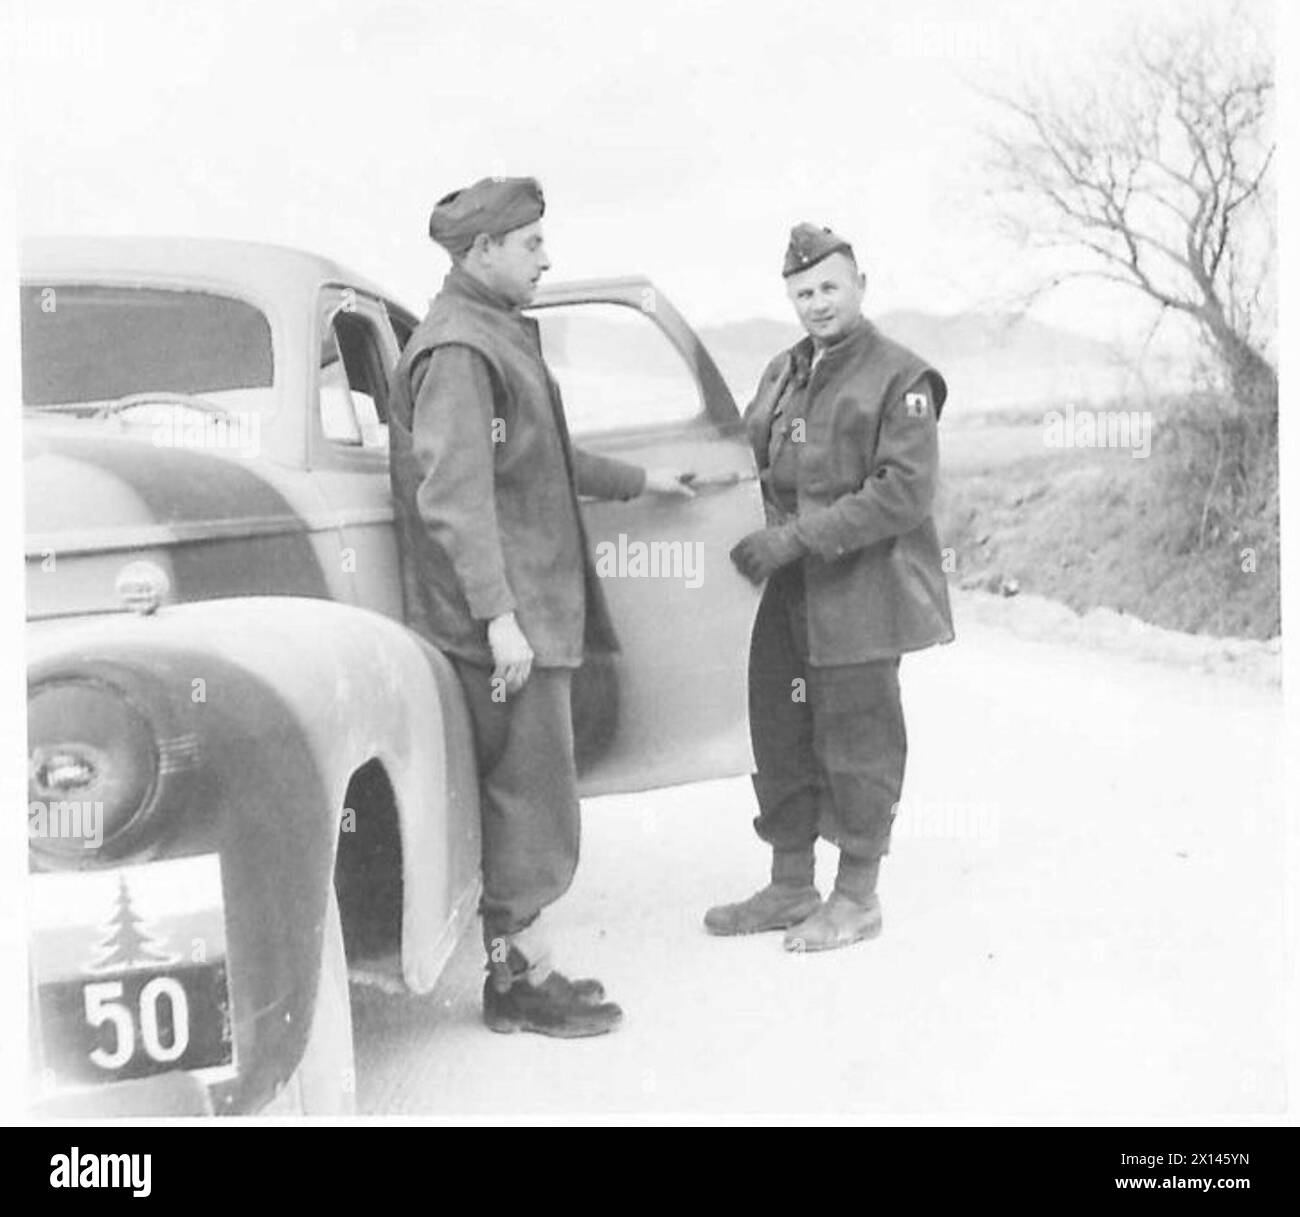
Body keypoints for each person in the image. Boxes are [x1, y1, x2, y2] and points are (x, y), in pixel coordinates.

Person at [388, 176, 691, 1035]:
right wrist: (498, 616)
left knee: (537, 796)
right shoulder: (459, 350)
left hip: (525, 614)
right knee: (528, 802)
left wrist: (640, 481)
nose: (546, 257)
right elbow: (455, 495)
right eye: (530, 243)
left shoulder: (488, 334)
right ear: (482, 251)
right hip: (505, 627)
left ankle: (530, 965)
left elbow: (540, 456)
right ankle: (518, 985)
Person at [704, 222, 953, 951]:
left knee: (857, 738)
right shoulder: (785, 368)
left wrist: (796, 538)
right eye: (803, 291)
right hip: (783, 596)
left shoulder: (902, 377)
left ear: (861, 286)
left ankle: (856, 897)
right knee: (779, 733)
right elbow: (751, 449)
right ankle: (789, 885)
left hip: (860, 593)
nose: (816, 302)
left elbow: (903, 493)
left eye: (829, 287)